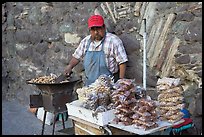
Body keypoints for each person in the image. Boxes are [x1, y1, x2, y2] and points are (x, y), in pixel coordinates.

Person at [64, 15, 128, 86]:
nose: (96, 32)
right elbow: (77, 56)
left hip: (109, 85)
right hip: (90, 85)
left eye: (98, 29)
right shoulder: (85, 42)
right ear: (90, 30)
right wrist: (70, 66)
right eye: (93, 29)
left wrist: (120, 82)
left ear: (104, 27)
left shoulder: (114, 41)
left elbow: (122, 62)